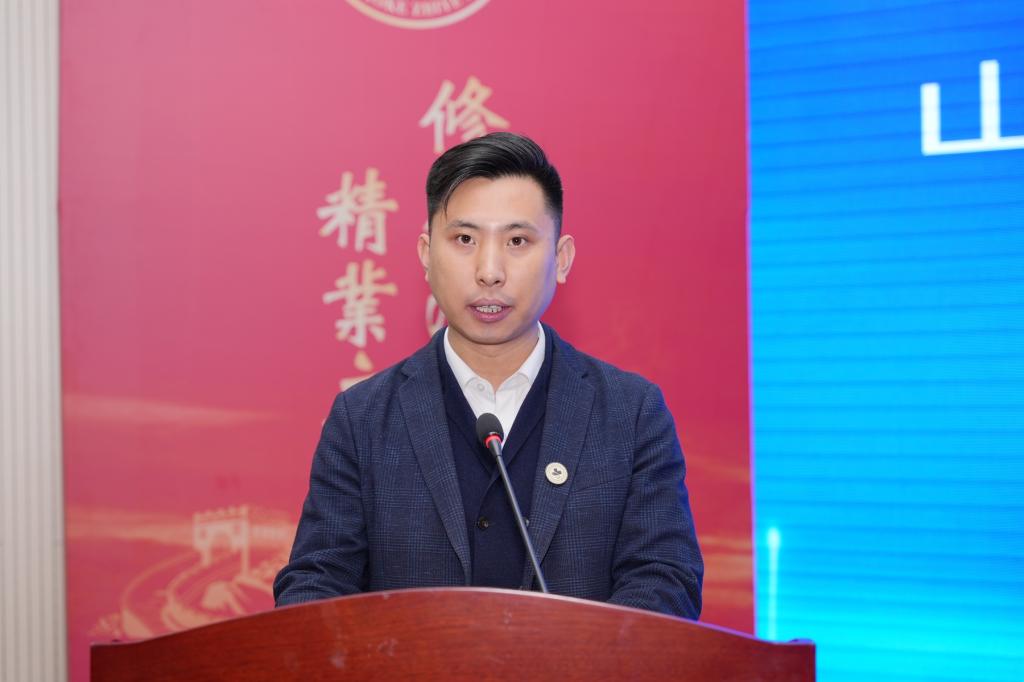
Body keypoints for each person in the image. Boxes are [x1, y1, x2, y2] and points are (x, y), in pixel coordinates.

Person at [273, 132, 703, 618]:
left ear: (561, 259)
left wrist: (583, 655)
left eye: (517, 241)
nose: (489, 271)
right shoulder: (363, 418)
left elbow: (665, 581)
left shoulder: (631, 413)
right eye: (464, 240)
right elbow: (317, 582)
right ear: (426, 254)